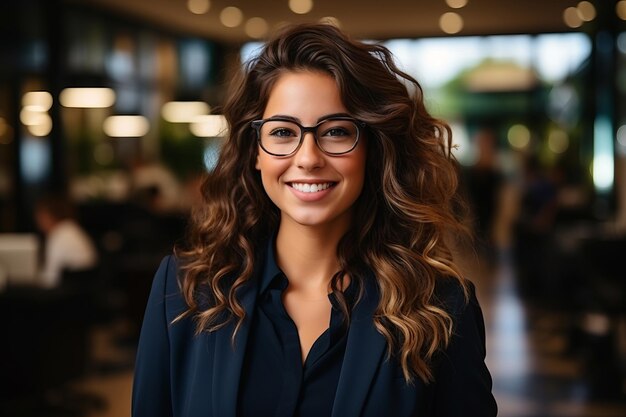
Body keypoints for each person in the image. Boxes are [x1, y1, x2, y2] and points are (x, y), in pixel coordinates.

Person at [132, 23, 497, 417]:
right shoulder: (185, 290)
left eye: (336, 131)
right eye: (283, 132)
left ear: (373, 148)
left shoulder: (440, 306)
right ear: (255, 151)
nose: (307, 158)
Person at [34, 193, 98, 288]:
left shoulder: (59, 235)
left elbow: (51, 280)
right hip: (85, 294)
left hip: (65, 296)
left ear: (46, 216)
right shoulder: (74, 230)